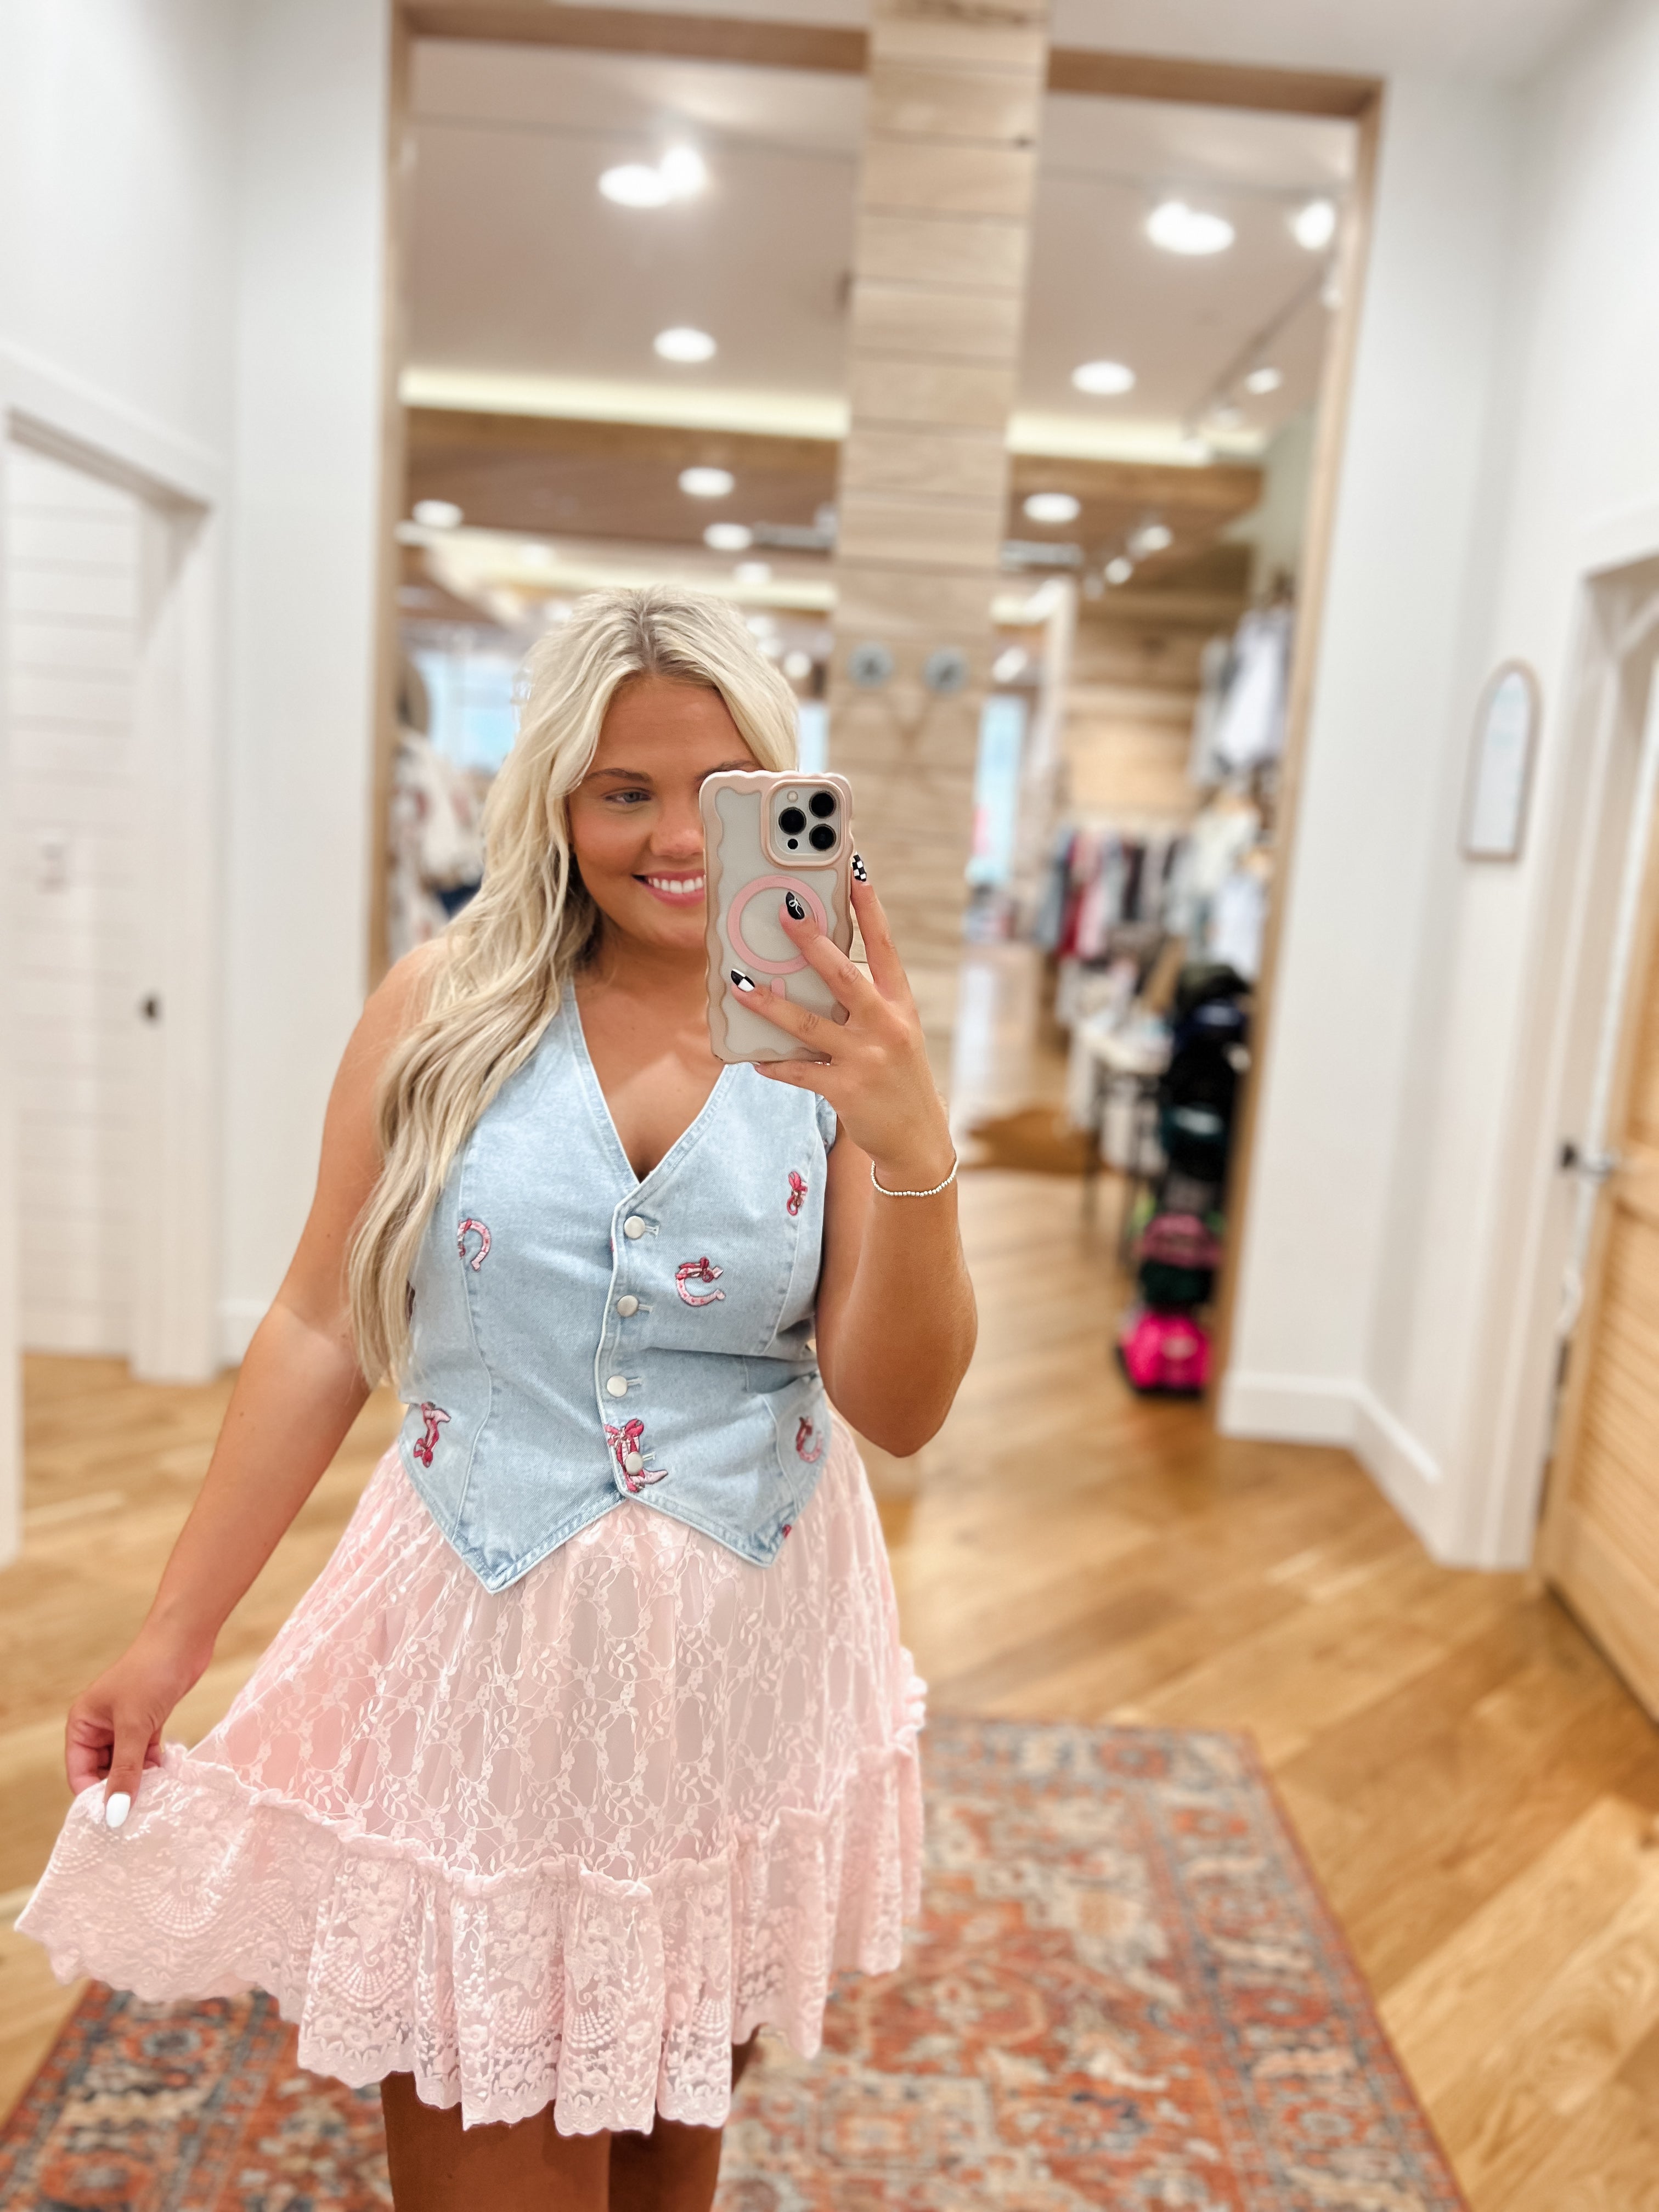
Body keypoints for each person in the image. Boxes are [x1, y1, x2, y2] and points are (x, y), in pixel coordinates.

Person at [18, 587, 975, 2211]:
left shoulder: (842, 1040)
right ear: (554, 800)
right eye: (623, 791)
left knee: (666, 2153)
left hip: (744, 1666)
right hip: (482, 1655)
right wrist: (174, 1635)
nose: (672, 837)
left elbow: (900, 1406)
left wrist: (912, 1144)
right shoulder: (443, 1006)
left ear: (782, 803)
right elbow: (321, 1323)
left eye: (720, 793)